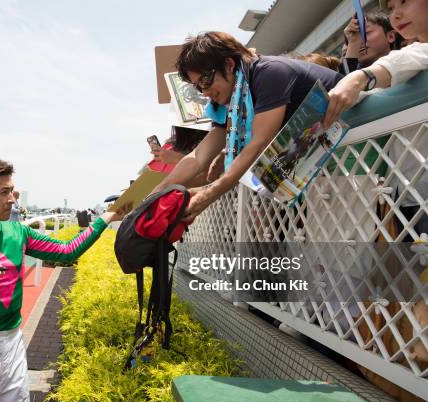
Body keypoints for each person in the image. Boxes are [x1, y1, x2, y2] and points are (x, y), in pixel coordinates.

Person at [0, 154, 124, 402]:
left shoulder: (18, 231)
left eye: (13, 191)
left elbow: (67, 251)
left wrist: (107, 217)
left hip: (13, 345)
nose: (13, 199)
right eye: (4, 192)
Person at [151, 31, 343, 221]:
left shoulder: (269, 73)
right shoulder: (232, 99)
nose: (206, 92)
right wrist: (157, 192)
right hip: (325, 160)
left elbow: (259, 143)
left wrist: (209, 193)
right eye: (198, 86)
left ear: (228, 64)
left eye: (206, 80)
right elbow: (199, 156)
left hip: (356, 144)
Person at [323, 0, 428, 238]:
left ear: (390, 38)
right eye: (390, 9)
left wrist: (361, 78)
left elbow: (402, 61)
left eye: (405, 2)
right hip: (403, 191)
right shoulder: (409, 55)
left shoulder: (404, 57)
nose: (397, 14)